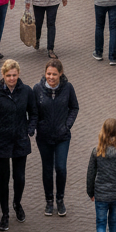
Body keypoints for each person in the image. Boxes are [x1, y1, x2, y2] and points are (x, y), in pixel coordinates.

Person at [0, 59, 36, 232]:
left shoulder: (27, 91)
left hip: (20, 140)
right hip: (1, 142)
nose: (11, 79)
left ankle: (17, 203)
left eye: (14, 75)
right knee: (4, 180)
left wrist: (29, 129)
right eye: (8, 76)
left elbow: (34, 113)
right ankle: (5, 213)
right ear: (3, 76)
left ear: (18, 74)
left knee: (19, 178)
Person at [33, 58, 79, 217]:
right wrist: (37, 126)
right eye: (48, 74)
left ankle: (60, 200)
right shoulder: (37, 89)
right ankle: (49, 201)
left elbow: (74, 107)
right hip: (44, 137)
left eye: (54, 74)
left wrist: (67, 125)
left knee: (60, 168)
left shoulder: (68, 88)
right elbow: (33, 111)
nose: (51, 77)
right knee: (47, 169)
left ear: (60, 74)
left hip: (62, 136)